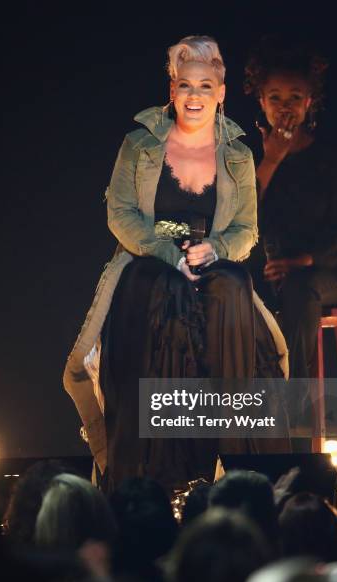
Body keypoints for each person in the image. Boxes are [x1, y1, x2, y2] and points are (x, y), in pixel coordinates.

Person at [63, 35, 289, 495]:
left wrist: (216, 251)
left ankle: (233, 464)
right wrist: (170, 253)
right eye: (186, 85)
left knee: (231, 285)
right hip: (148, 254)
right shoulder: (139, 144)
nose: (194, 96)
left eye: (205, 86)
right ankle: (152, 470)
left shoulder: (239, 154)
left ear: (220, 93)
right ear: (172, 90)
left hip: (211, 254)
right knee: (160, 288)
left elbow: (246, 229)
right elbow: (120, 213)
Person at [244, 37, 337, 423]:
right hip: (268, 272)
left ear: (309, 102)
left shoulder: (329, 159)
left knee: (298, 292)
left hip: (318, 274)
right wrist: (271, 159)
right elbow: (242, 217)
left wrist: (297, 262)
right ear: (261, 102)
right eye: (275, 97)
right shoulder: (252, 160)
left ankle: (294, 414)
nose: (284, 107)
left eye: (294, 97)